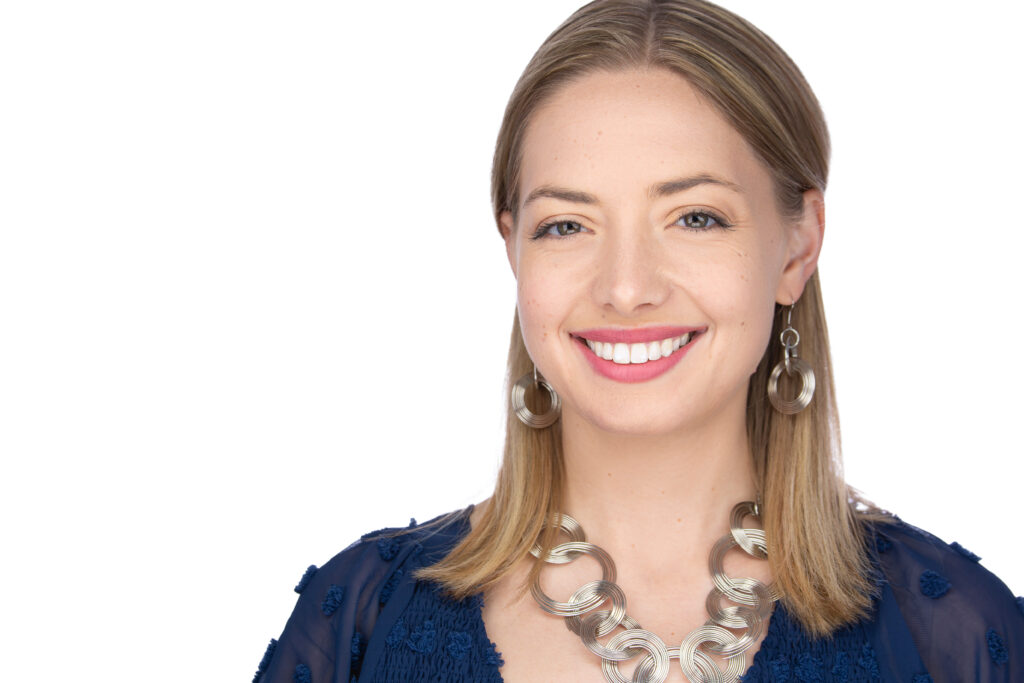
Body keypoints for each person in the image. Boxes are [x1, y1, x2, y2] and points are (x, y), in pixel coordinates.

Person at [252, 1, 1024, 681]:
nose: (626, 287)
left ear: (796, 248)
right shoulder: (356, 621)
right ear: (514, 249)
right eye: (566, 225)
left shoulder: (955, 630)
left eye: (695, 218)